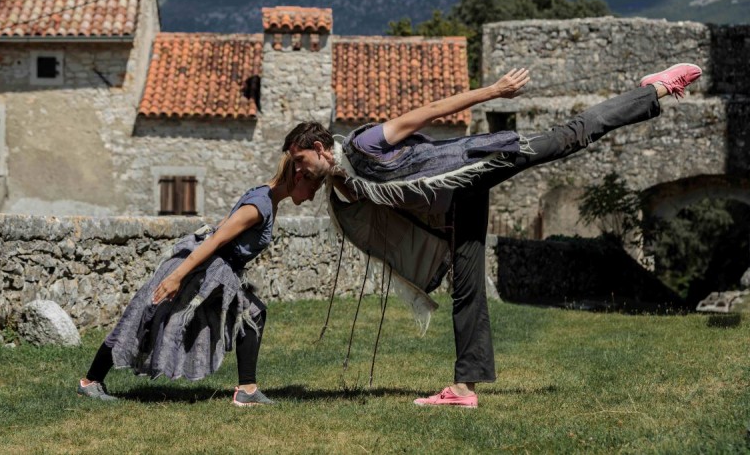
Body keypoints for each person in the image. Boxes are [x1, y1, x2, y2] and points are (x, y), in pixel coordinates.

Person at [282, 63, 702, 408]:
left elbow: (430, 112)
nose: (299, 170)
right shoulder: (343, 181)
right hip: (459, 201)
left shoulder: (364, 144)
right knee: (467, 289)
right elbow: (298, 193)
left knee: (566, 138)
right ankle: (464, 388)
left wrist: (496, 91)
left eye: (300, 161)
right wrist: (288, 180)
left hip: (471, 166)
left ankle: (655, 89)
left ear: (319, 148)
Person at [77, 155, 322, 406]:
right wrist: (177, 276)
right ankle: (90, 381)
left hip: (214, 272)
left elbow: (222, 226)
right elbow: (215, 239)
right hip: (200, 269)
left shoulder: (264, 197)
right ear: (299, 177)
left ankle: (247, 389)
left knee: (252, 313)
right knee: (142, 317)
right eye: (313, 188)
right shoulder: (259, 205)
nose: (312, 196)